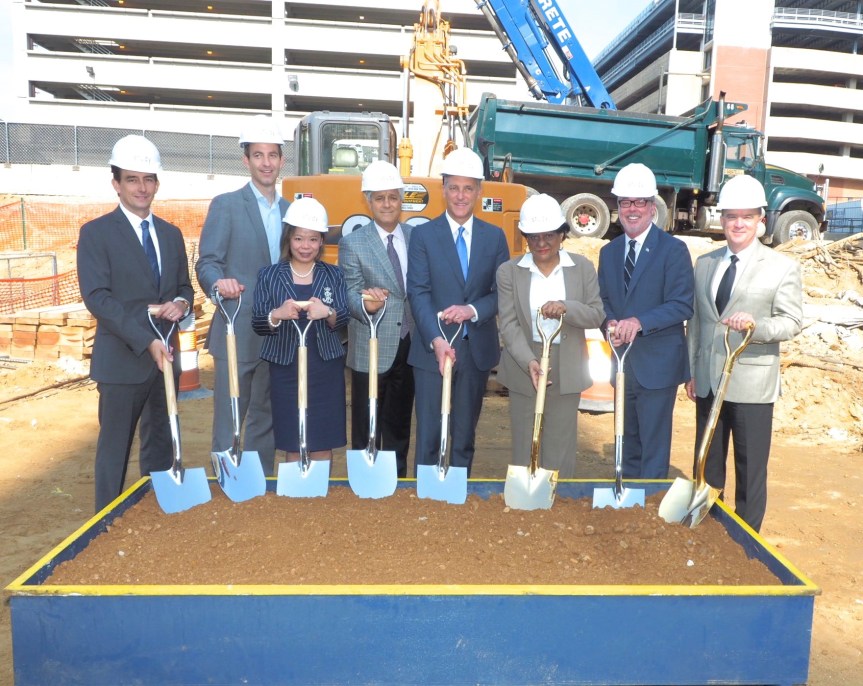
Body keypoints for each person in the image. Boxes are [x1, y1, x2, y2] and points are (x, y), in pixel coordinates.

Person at [77, 135, 194, 512]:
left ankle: (155, 511)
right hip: (123, 359)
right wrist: (146, 340)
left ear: (157, 183)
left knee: (161, 441)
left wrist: (180, 303)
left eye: (148, 179)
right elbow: (99, 298)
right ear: (116, 184)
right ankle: (103, 525)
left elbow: (183, 287)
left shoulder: (172, 234)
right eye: (132, 179)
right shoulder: (96, 234)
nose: (142, 188)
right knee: (114, 449)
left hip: (166, 358)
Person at [685, 175, 802, 532]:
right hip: (707, 382)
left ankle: (746, 542)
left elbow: (792, 322)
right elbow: (697, 322)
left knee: (749, 470)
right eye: (731, 215)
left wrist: (757, 325)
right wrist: (692, 371)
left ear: (760, 220)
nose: (737, 223)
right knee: (707, 464)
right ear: (721, 218)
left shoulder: (782, 267)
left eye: (746, 217)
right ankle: (708, 531)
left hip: (751, 384)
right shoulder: (705, 263)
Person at [406, 147, 510, 476]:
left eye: (468, 188)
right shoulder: (423, 235)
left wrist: (472, 310)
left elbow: (500, 293)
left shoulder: (495, 238)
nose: (460, 196)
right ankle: (428, 497)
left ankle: (457, 499)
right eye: (454, 187)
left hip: (474, 349)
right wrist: (436, 340)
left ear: (479, 191)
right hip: (432, 352)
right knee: (429, 436)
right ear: (443, 189)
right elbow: (418, 292)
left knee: (464, 435)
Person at [196, 115, 289, 476]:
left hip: (276, 331)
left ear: (282, 160)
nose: (266, 163)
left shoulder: (288, 212)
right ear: (246, 160)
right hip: (237, 329)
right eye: (258, 155)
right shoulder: (227, 205)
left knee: (265, 415)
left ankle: (260, 480)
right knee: (230, 414)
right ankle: (226, 480)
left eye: (272, 155)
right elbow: (208, 262)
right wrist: (218, 284)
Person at [597, 163, 694, 479]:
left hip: (657, 367)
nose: (632, 209)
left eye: (639, 202)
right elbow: (605, 303)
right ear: (618, 207)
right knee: (626, 444)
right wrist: (610, 323)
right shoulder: (609, 253)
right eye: (625, 202)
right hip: (623, 365)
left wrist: (639, 321)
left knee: (652, 450)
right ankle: (627, 508)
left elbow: (682, 304)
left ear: (652, 208)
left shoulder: (673, 250)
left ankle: (650, 509)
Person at [496, 194, 605, 477]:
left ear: (562, 235)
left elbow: (596, 313)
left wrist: (566, 308)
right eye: (533, 237)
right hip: (525, 361)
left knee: (560, 446)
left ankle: (559, 506)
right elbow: (508, 325)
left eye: (549, 236)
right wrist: (530, 361)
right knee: (524, 444)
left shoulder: (581, 268)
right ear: (525, 237)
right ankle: (525, 507)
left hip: (567, 364)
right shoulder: (509, 271)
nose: (541, 243)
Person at [251, 197, 349, 463]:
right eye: (299, 239)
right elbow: (258, 322)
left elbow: (343, 319)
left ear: (321, 242)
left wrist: (327, 312)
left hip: (324, 366)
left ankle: (318, 498)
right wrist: (277, 314)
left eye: (313, 239)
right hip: (286, 367)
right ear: (288, 239)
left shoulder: (333, 275)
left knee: (322, 437)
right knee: (292, 439)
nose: (306, 246)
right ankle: (296, 499)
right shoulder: (269, 275)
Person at [338, 161, 414, 477]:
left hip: (410, 343)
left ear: (400, 199)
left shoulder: (415, 236)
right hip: (370, 344)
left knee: (399, 423)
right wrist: (365, 305)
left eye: (392, 197)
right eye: (379, 198)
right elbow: (349, 292)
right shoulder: (353, 243)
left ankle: (396, 480)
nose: (386, 204)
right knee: (366, 420)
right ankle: (364, 478)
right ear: (368, 201)